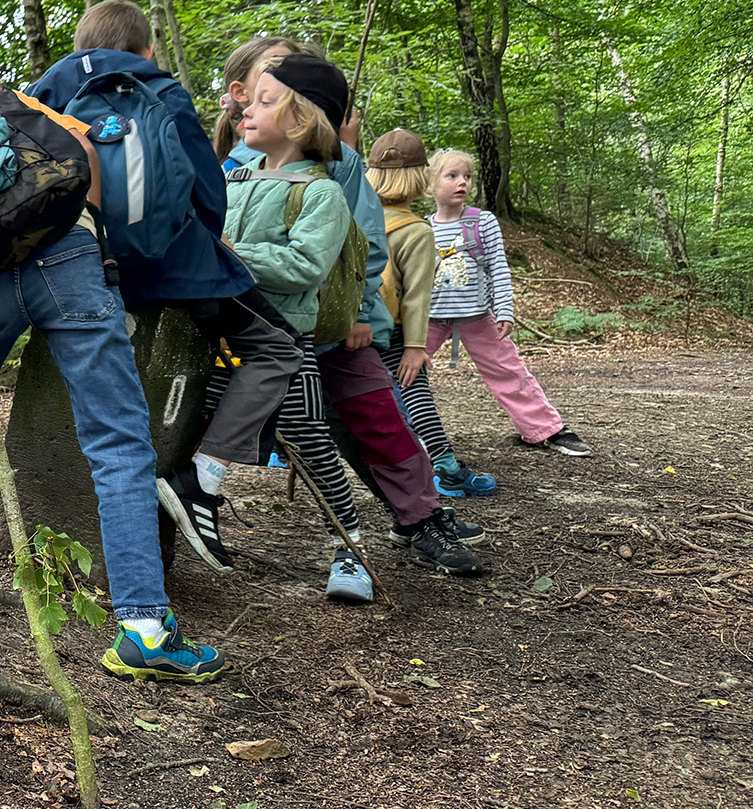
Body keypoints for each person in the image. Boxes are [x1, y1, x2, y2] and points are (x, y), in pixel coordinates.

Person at [0, 70, 232, 685]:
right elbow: (81, 150)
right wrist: (97, 238)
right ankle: (143, 628)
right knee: (118, 439)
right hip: (67, 254)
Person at [31, 0, 300, 575]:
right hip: (180, 271)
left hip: (83, 268)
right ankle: (201, 475)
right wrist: (204, 246)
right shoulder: (163, 92)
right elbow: (207, 190)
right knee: (278, 347)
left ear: (80, 45)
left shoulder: (42, 95)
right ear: (146, 50)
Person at [221, 43, 485, 586]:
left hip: (340, 327)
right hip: (263, 331)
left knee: (378, 420)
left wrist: (363, 313)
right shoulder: (239, 165)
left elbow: (364, 244)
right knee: (308, 429)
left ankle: (421, 519)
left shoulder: (336, 168)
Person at [426, 149, 591, 456]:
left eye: (467, 176)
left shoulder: (482, 222)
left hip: (478, 315)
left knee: (509, 372)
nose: (462, 182)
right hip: (429, 317)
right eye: (452, 176)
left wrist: (505, 309)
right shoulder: (421, 227)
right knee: (402, 370)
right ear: (430, 185)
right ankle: (400, 432)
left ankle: (546, 429)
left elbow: (499, 268)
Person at [365, 130, 498, 496]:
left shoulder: (359, 215)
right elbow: (417, 299)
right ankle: (444, 466)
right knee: (415, 391)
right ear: (422, 177)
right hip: (392, 330)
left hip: (353, 327)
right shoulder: (417, 231)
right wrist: (415, 346)